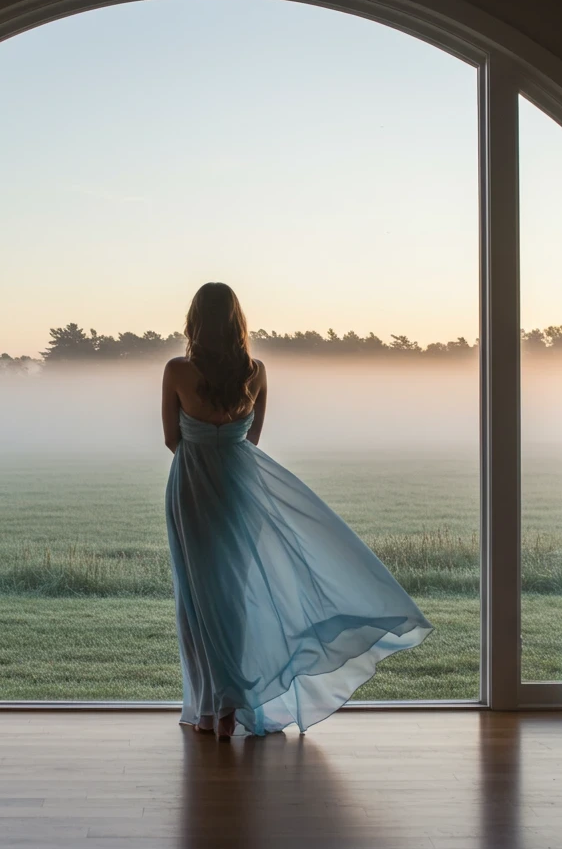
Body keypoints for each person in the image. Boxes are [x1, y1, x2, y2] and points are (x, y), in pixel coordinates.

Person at [163, 282, 432, 739]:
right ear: (236, 322)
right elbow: (252, 439)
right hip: (239, 490)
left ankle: (209, 709)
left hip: (191, 490)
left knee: (197, 601)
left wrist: (202, 448)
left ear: (195, 320)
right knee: (235, 600)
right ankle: (229, 709)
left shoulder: (177, 370)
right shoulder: (257, 372)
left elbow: (172, 439)